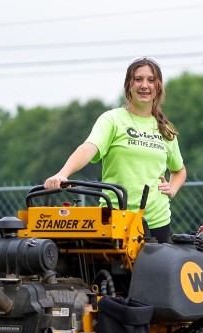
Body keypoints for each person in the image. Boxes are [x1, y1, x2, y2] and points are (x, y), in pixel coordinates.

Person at [44, 56, 187, 243]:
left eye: (151, 80)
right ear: (129, 85)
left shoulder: (165, 128)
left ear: (158, 86)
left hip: (156, 221)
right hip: (114, 217)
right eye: (138, 79)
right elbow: (89, 147)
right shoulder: (112, 119)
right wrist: (63, 174)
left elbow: (179, 170)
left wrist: (173, 188)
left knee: (152, 273)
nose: (145, 85)